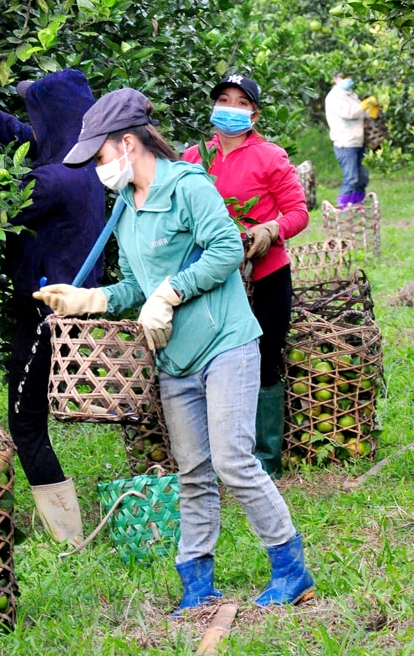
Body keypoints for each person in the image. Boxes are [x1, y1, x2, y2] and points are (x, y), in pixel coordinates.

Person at [35, 88, 314, 611]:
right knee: (193, 471)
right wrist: (91, 299)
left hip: (224, 342)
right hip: (175, 359)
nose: (98, 168)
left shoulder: (187, 185)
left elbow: (229, 247)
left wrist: (172, 291)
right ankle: (197, 583)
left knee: (234, 462)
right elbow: (138, 286)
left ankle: (290, 567)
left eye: (99, 156)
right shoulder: (126, 206)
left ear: (126, 144)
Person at [0, 70, 105, 544]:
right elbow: (11, 132)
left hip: (46, 316)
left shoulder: (51, 181)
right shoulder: (78, 164)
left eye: (33, 114)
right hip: (61, 309)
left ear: (51, 119)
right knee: (31, 416)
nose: (27, 125)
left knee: (27, 421)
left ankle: (68, 535)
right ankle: (65, 527)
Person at [182, 73, 309, 477]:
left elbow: (298, 213)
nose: (231, 109)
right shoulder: (193, 159)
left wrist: (269, 230)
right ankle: (219, 458)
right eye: (224, 99)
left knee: (265, 359)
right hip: (213, 276)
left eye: (240, 102)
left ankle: (265, 462)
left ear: (254, 113)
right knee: (212, 360)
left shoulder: (270, 156)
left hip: (267, 273)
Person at [324, 72, 369, 208]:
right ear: (335, 79)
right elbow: (349, 113)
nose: (348, 80)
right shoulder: (334, 97)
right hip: (345, 143)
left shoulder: (351, 94)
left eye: (350, 77)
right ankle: (342, 207)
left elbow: (361, 112)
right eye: (344, 77)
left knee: (362, 178)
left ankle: (357, 205)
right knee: (351, 178)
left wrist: (370, 109)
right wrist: (365, 104)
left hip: (358, 140)